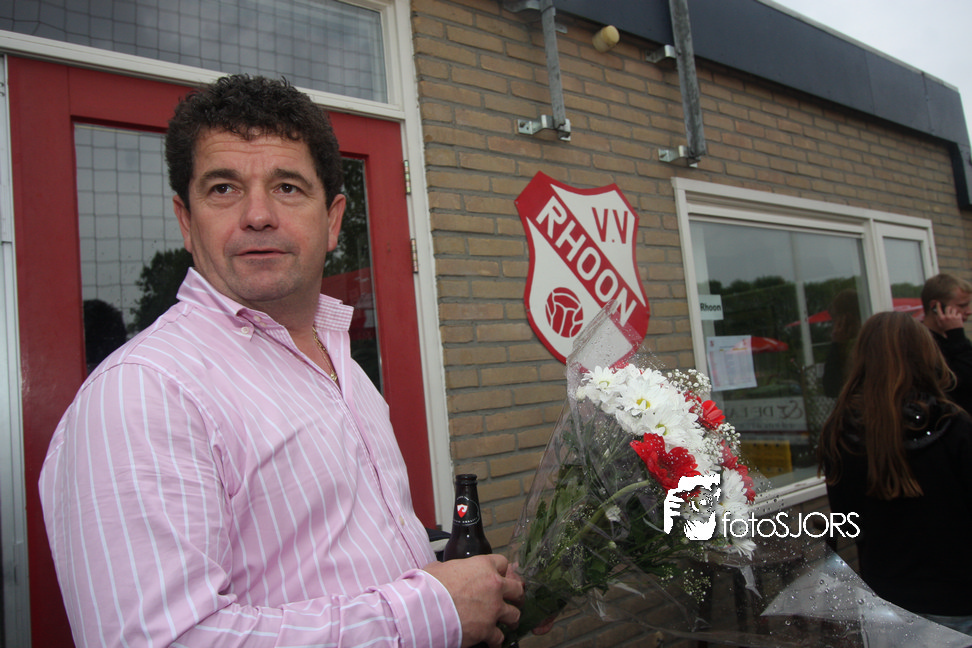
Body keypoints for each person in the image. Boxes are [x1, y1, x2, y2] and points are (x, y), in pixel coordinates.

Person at [39, 75, 526, 648]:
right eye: (224, 187)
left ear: (334, 220)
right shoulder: (145, 392)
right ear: (186, 221)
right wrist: (431, 610)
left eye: (288, 187)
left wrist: (471, 594)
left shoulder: (342, 367)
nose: (258, 214)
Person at [818, 311, 972, 636]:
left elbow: (847, 518)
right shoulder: (952, 426)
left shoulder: (841, 432)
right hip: (956, 598)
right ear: (926, 354)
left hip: (885, 599)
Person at [921, 272, 972, 412]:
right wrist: (957, 336)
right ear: (935, 306)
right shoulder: (921, 343)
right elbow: (963, 381)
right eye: (962, 306)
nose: (968, 311)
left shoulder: (953, 340)